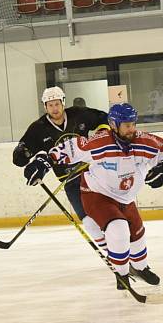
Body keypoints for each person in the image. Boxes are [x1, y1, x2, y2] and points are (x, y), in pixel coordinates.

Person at [43, 103, 163, 291]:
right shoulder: (100, 142)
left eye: (133, 124)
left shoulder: (144, 142)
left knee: (137, 235)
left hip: (125, 197)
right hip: (97, 194)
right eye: (126, 125)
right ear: (114, 125)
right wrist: (45, 160)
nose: (132, 129)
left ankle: (140, 268)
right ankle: (122, 275)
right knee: (118, 229)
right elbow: (69, 148)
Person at [13, 86, 110, 249]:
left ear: (63, 102)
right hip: (70, 180)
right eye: (50, 105)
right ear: (45, 106)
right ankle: (110, 251)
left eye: (57, 104)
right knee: (86, 219)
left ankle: (119, 246)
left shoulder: (79, 114)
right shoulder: (38, 128)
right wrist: (26, 156)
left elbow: (104, 118)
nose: (54, 108)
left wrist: (101, 133)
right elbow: (21, 156)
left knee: (107, 211)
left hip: (93, 173)